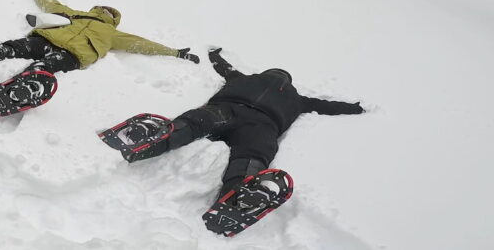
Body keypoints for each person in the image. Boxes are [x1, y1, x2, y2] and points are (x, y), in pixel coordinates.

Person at [106, 48, 364, 227]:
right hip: (261, 125)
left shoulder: (246, 79)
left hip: (227, 110)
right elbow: (327, 106)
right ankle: (240, 192)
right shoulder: (297, 98)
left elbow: (225, 68)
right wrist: (355, 108)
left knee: (197, 121)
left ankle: (161, 135)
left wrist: (214, 55)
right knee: (255, 151)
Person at [0, 0, 198, 115]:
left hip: (72, 55)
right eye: (104, 8)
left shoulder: (113, 33)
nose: (106, 11)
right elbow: (52, 5)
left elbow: (141, 44)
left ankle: (21, 90)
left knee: (43, 68)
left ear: (114, 19)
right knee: (11, 48)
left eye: (110, 12)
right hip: (46, 39)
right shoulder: (76, 14)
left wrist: (175, 52)